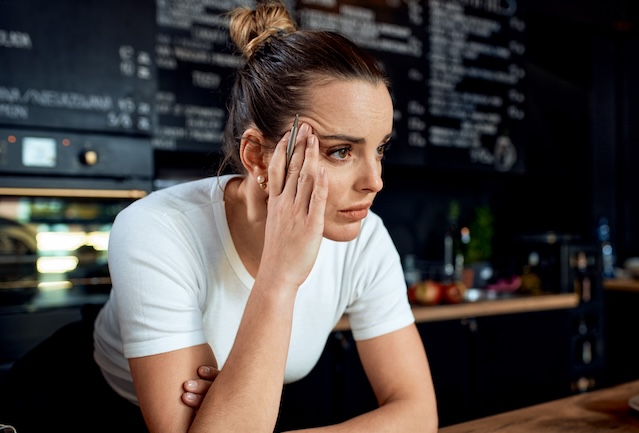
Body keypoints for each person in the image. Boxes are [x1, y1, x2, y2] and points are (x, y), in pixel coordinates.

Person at [0, 1, 437, 432]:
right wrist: (280, 277)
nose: (375, 180)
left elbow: (418, 414)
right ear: (257, 158)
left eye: (379, 148)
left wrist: (230, 406)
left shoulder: (366, 240)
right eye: (340, 151)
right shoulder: (156, 229)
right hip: (79, 411)